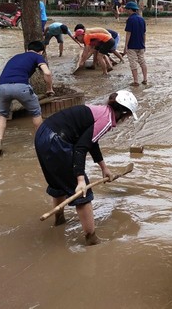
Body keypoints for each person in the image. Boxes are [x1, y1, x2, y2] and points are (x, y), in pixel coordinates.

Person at [34, 90, 139, 245]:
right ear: (123, 112)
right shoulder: (107, 120)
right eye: (128, 115)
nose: (126, 119)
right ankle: (92, 240)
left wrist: (104, 168)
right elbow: (81, 148)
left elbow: (91, 142)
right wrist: (80, 179)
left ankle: (59, 221)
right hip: (57, 140)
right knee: (83, 194)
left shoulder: (100, 111)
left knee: (58, 184)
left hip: (43, 136)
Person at [0, 41, 54, 156]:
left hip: (2, 87)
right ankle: (40, 142)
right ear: (41, 52)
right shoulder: (37, 56)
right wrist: (49, 88)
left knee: (2, 114)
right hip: (21, 87)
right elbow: (47, 72)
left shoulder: (16, 57)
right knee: (36, 113)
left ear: (27, 49)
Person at [123, 1, 148, 86]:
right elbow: (144, 33)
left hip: (132, 46)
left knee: (133, 64)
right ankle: (145, 79)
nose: (126, 11)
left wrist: (125, 46)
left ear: (130, 10)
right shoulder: (142, 19)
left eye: (127, 9)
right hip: (141, 45)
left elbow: (128, 33)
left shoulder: (130, 19)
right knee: (142, 62)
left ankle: (136, 81)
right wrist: (144, 44)